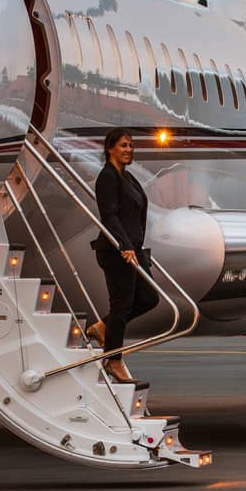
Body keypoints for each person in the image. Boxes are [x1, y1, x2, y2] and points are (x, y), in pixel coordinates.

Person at [86, 127, 158, 383]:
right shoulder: (107, 178)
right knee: (122, 305)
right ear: (110, 148)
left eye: (130, 146)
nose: (128, 150)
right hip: (117, 252)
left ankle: (103, 327)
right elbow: (109, 216)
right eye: (123, 146)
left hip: (133, 250)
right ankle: (113, 360)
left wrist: (135, 245)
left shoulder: (128, 178)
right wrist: (124, 245)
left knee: (149, 298)